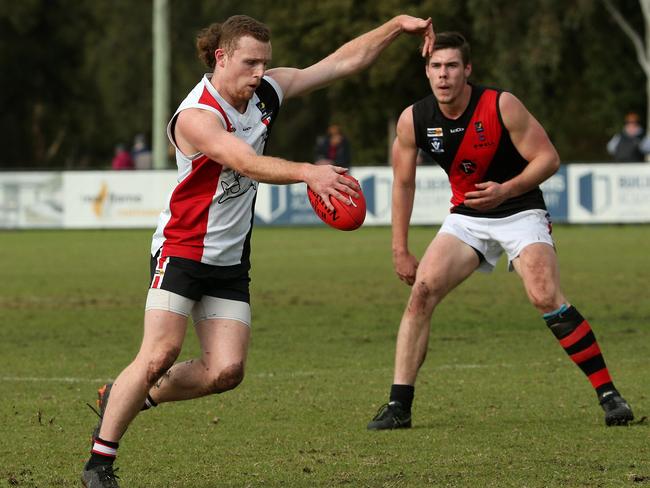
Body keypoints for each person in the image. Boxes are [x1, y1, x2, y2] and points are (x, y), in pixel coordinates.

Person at [80, 14, 434, 487]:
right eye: (250, 62)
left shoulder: (264, 91)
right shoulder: (197, 116)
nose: (259, 73)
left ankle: (125, 396)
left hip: (229, 259)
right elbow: (245, 161)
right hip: (182, 248)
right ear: (220, 57)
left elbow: (341, 63)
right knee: (159, 351)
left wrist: (394, 26)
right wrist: (310, 171)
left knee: (226, 370)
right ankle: (99, 464)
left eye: (265, 63)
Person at [367, 32, 634, 431]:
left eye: (452, 66)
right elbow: (404, 184)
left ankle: (609, 394)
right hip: (467, 217)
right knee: (422, 292)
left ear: (467, 70)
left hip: (520, 207)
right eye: (436, 67)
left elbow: (548, 158)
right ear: (427, 72)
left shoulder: (500, 104)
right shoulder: (414, 119)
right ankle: (398, 405)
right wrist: (399, 248)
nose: (444, 75)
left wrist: (505, 190)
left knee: (544, 295)